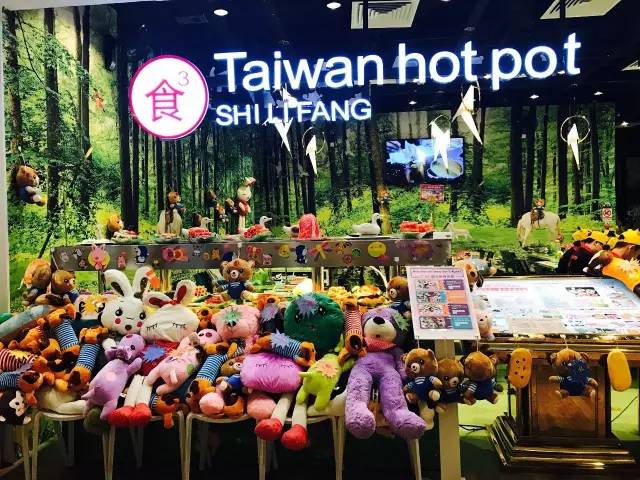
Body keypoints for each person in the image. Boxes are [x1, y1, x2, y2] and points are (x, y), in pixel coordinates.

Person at [585, 229, 640, 296]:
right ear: (631, 248)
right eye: (638, 253)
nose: (636, 257)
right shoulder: (624, 267)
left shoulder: (599, 256)